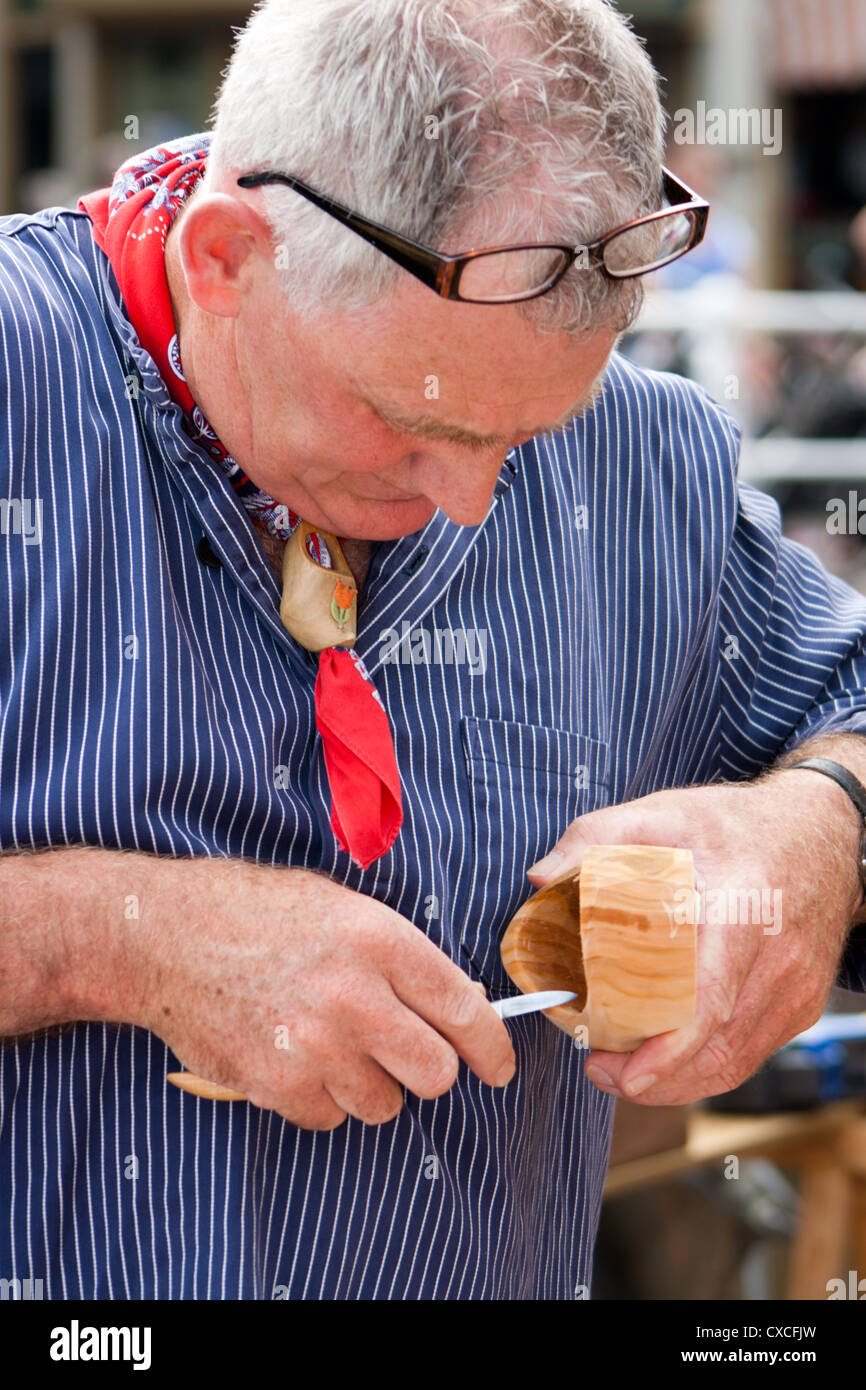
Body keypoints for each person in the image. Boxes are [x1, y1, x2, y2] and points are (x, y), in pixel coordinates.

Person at [1, 0, 866, 1301]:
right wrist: (111, 937)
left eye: (525, 435)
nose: (471, 504)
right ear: (229, 256)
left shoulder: (642, 464)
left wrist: (813, 838)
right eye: (410, 423)